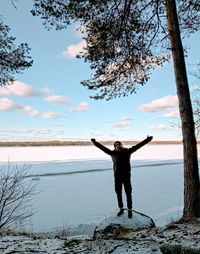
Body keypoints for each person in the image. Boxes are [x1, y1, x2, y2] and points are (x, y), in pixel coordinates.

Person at [91, 136, 153, 218]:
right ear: (114, 147)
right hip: (117, 178)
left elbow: (139, 145)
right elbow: (102, 147)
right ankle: (121, 209)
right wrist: (95, 143)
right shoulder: (112, 153)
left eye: (119, 144)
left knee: (128, 194)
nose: (118, 145)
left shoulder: (127, 151)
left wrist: (147, 140)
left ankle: (130, 210)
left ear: (121, 145)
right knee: (119, 194)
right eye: (116, 145)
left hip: (126, 177)